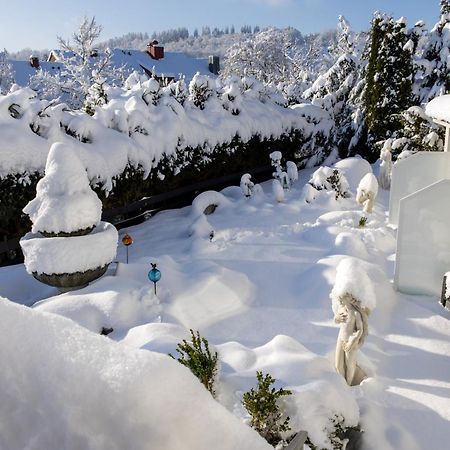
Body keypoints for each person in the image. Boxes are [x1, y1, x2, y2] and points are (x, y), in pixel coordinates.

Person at [334, 293, 369, 386]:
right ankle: (342, 384)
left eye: (343, 297)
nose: (340, 299)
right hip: (340, 338)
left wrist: (352, 342)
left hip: (350, 340)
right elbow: (336, 320)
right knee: (338, 364)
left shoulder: (355, 313)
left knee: (350, 364)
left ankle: (349, 384)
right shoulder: (341, 310)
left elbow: (360, 329)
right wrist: (336, 318)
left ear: (350, 298)